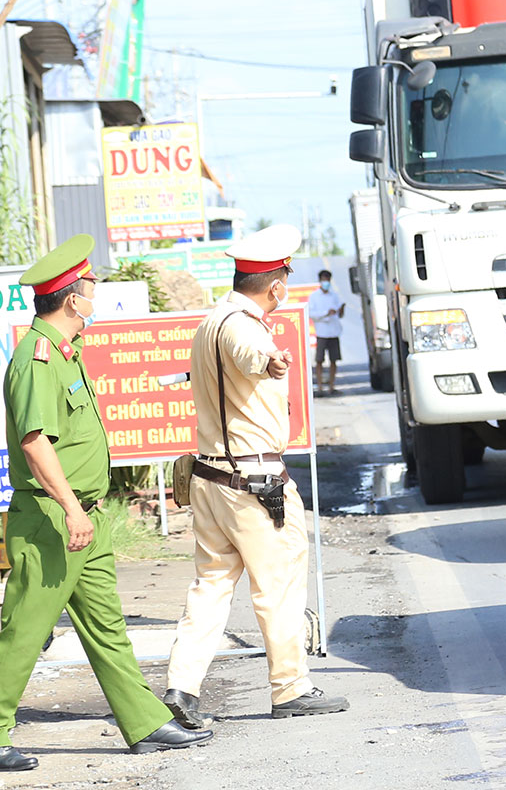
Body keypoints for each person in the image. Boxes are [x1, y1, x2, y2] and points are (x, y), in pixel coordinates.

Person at [0, 235, 211, 773]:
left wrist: (86, 511)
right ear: (73, 299)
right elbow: (35, 443)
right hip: (54, 518)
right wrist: (72, 509)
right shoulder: (37, 359)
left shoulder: (65, 355)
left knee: (106, 627)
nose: (95, 295)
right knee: (26, 629)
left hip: (84, 516)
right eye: (91, 288)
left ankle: (144, 722)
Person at [162, 225, 348, 728]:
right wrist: (271, 359)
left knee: (210, 586)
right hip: (253, 483)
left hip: (209, 478)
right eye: (285, 276)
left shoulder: (210, 322)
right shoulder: (244, 326)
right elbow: (251, 355)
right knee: (279, 585)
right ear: (275, 285)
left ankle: (182, 685)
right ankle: (290, 687)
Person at [306, 269, 346, 395]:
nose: (326, 282)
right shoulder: (314, 296)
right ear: (320, 281)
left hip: (334, 331)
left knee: (334, 360)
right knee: (319, 361)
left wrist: (340, 310)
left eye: (327, 280)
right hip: (322, 332)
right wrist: (325, 313)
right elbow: (311, 314)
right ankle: (319, 387)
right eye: (324, 280)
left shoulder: (334, 295)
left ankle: (331, 386)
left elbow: (340, 314)